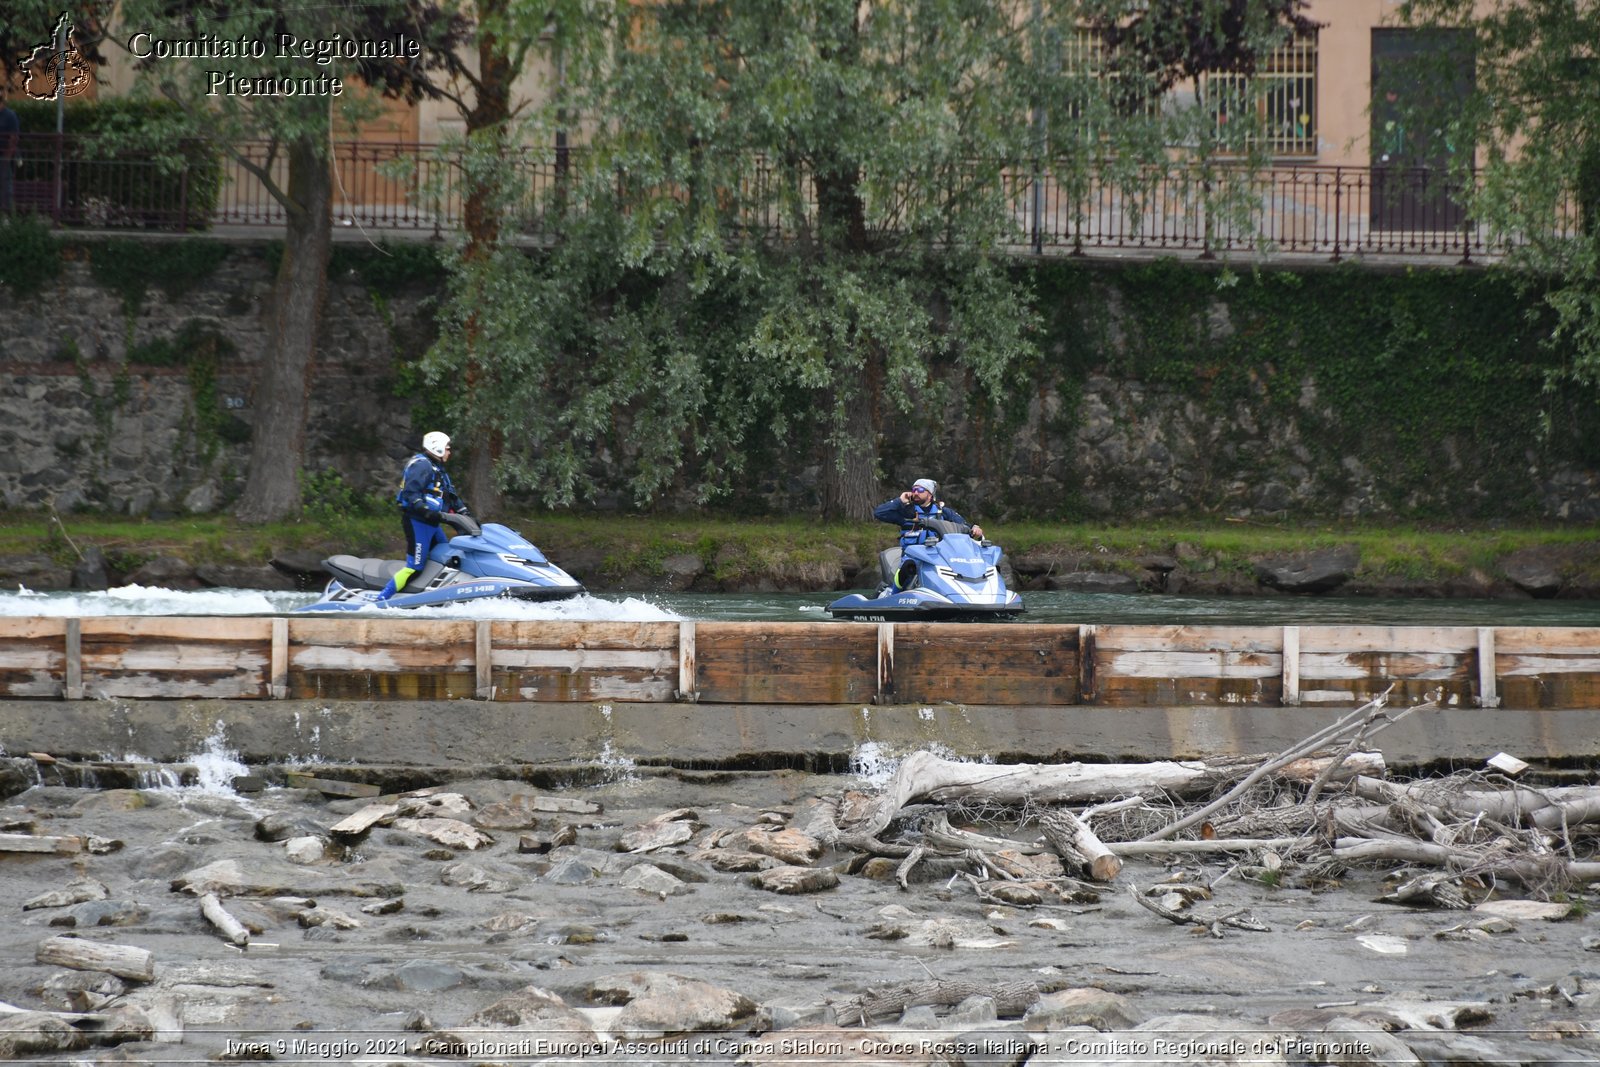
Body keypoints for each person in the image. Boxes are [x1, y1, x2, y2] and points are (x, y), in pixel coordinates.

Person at [376, 431, 470, 601]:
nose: (450, 452)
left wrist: (465, 513)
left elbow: (451, 496)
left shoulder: (438, 469)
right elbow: (411, 493)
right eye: (448, 449)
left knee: (444, 558)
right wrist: (424, 509)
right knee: (415, 567)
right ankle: (382, 599)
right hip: (417, 522)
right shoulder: (421, 465)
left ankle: (432, 595)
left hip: (432, 523)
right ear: (438, 448)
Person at [872, 478, 984, 589]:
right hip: (912, 556)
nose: (915, 492)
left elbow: (965, 526)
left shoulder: (943, 512)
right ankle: (895, 596)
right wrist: (899, 501)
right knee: (907, 566)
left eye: (920, 490)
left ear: (930, 495)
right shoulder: (906, 511)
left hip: (939, 556)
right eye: (914, 489)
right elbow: (879, 513)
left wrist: (975, 529)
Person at [0, 85, 19, 215]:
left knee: (5, 185)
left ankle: (6, 213)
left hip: (4, 156)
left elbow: (14, 138)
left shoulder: (10, 115)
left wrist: (7, 156)